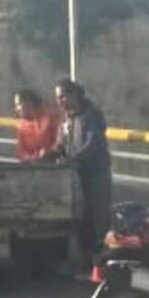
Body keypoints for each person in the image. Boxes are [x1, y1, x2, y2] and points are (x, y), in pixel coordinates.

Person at [53, 79, 113, 276]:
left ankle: (102, 266)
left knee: (98, 220)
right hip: (76, 178)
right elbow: (61, 145)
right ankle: (87, 264)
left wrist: (72, 159)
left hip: (95, 176)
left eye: (63, 96)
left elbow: (93, 144)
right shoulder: (66, 120)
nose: (60, 101)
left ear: (75, 95)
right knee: (80, 221)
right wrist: (49, 156)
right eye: (58, 98)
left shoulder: (92, 115)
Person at [14, 89, 60, 162]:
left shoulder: (50, 119)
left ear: (29, 103)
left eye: (18, 104)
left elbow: (58, 142)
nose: (16, 109)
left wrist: (48, 153)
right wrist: (33, 158)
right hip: (30, 167)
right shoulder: (21, 125)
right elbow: (21, 151)